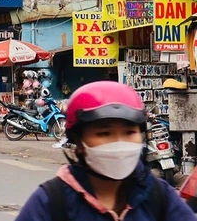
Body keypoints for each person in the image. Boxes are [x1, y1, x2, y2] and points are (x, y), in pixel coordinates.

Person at [16, 81, 196, 221]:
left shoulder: (158, 195)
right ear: (78, 141)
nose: (119, 143)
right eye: (104, 133)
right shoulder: (53, 201)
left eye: (129, 132)